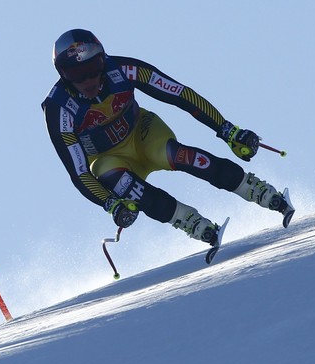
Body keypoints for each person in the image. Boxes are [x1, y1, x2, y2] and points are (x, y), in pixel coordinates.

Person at [41, 28, 295, 246]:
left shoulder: (124, 69)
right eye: (76, 75)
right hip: (108, 158)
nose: (88, 80)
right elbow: (79, 171)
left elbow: (179, 94)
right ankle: (190, 222)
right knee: (125, 186)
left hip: (143, 133)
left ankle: (256, 189)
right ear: (63, 75)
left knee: (178, 156)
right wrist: (111, 204)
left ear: (103, 59)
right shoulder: (59, 108)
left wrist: (228, 131)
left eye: (93, 68)